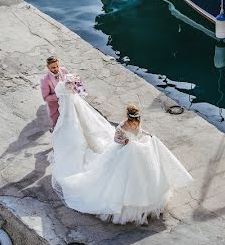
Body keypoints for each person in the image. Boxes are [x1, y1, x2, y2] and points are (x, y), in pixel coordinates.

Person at [58, 105, 194, 225]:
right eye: (134, 121)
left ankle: (145, 204)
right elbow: (116, 139)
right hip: (125, 152)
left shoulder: (138, 122)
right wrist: (124, 141)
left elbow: (140, 131)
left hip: (139, 151)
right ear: (130, 119)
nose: (136, 123)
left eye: (137, 121)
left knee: (144, 175)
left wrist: (148, 135)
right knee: (124, 179)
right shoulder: (122, 126)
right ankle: (128, 206)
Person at [41, 56, 67, 130]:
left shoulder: (64, 70)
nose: (56, 69)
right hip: (55, 104)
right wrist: (58, 96)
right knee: (56, 124)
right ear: (48, 67)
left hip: (67, 101)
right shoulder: (45, 80)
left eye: (57, 66)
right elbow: (45, 97)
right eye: (53, 67)